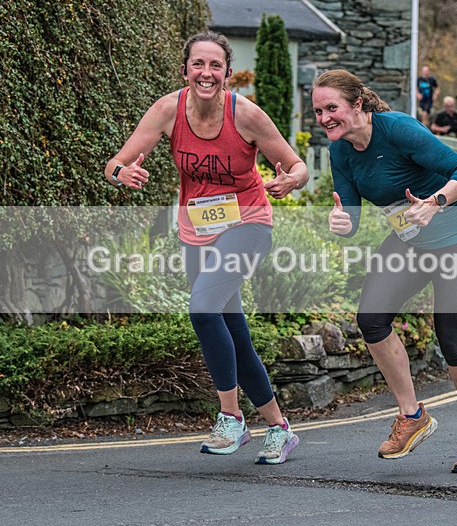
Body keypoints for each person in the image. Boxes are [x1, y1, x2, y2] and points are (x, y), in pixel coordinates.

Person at [104, 31, 307, 464]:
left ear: (228, 74)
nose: (206, 72)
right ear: (185, 70)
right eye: (199, 64)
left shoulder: (247, 115)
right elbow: (116, 162)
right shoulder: (167, 109)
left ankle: (230, 419)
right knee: (232, 330)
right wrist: (122, 173)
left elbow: (296, 164)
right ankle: (279, 427)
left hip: (248, 222)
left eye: (216, 65)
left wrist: (292, 178)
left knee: (202, 309)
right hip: (196, 229)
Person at [312, 69, 457, 473]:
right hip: (413, 240)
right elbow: (352, 212)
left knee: (452, 340)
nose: (325, 117)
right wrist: (343, 222)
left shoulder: (397, 129)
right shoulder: (341, 149)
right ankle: (412, 415)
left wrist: (434, 202)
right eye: (318, 111)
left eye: (332, 108)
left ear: (357, 104)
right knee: (371, 318)